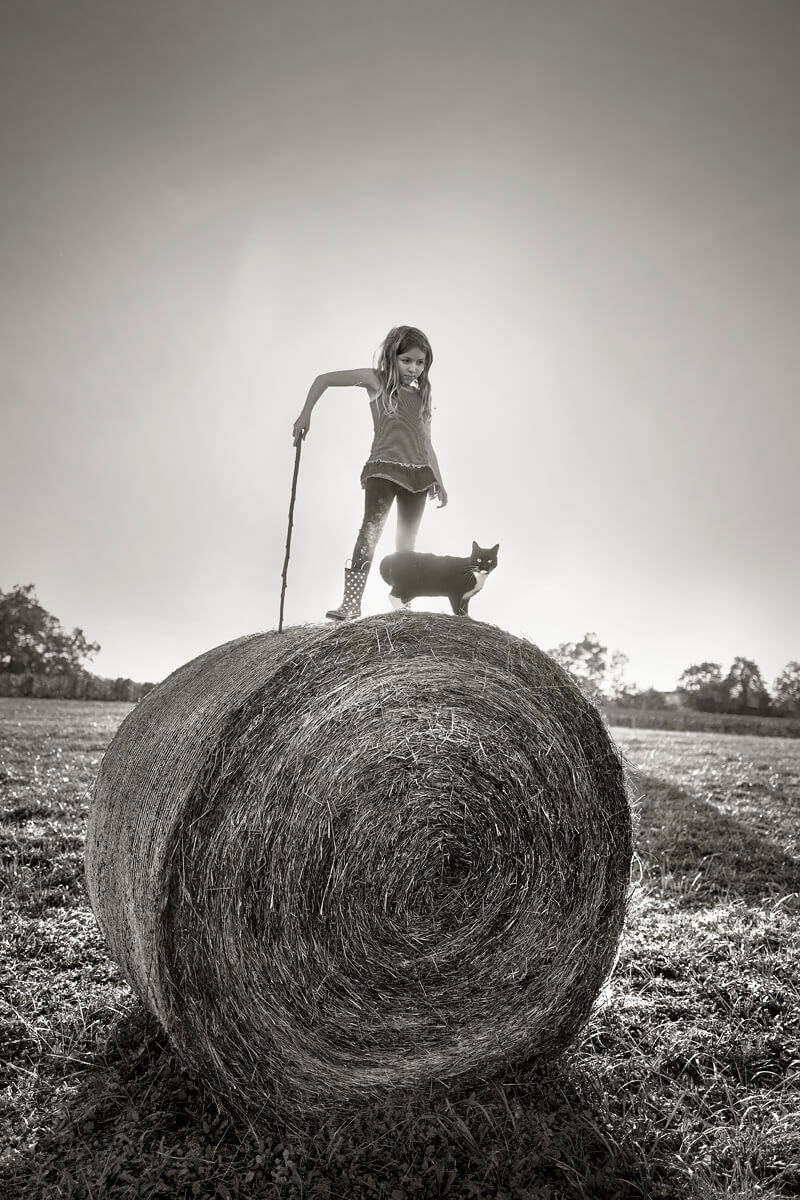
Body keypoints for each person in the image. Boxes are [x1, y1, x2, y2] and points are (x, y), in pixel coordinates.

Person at [292, 325, 448, 620]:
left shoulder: (423, 394)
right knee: (370, 531)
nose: (413, 368)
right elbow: (323, 379)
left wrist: (439, 481)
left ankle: (403, 606)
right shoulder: (375, 380)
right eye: (406, 361)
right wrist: (305, 413)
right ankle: (351, 604)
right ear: (392, 356)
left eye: (420, 362)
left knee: (406, 545)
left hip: (419, 477)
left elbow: (426, 442)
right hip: (383, 470)